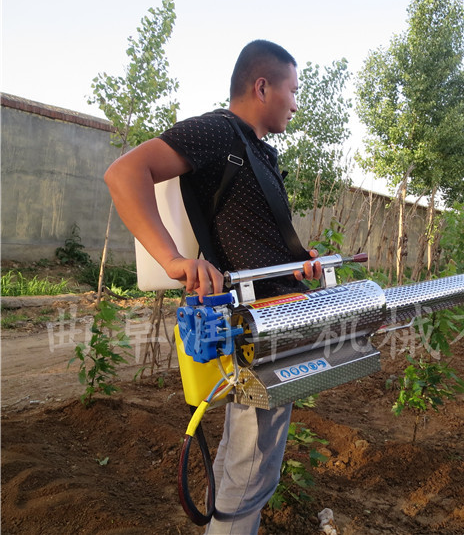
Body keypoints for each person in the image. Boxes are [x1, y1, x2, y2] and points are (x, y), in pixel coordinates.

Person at [104, 39, 321, 534]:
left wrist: (297, 262)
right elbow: (124, 173)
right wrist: (174, 259)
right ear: (261, 86)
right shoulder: (217, 133)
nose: (296, 102)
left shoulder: (258, 153)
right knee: (252, 466)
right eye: (293, 89)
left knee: (241, 455)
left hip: (276, 318)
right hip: (253, 328)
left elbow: (252, 239)